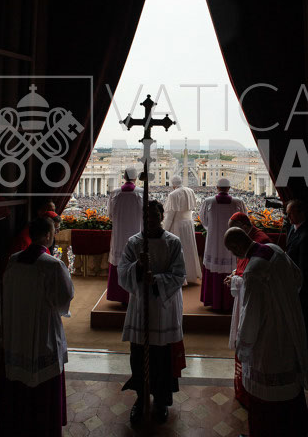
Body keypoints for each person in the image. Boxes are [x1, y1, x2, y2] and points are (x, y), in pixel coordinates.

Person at [224, 227, 308, 437]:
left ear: (237, 246)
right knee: (289, 387)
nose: (234, 255)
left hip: (269, 338)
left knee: (265, 395)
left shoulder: (253, 271)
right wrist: (284, 300)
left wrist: (242, 346)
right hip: (289, 325)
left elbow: (251, 316)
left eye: (232, 250)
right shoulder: (275, 249)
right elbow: (298, 277)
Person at [0, 216, 74, 437]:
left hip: (17, 330)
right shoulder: (53, 265)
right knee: (43, 383)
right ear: (48, 235)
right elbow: (64, 300)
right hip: (43, 332)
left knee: (20, 381)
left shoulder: (14, 261)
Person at [118, 200, 186, 424]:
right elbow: (122, 272)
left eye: (155, 216)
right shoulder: (134, 242)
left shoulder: (172, 242)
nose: (151, 220)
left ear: (162, 216)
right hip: (141, 306)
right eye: (147, 216)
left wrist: (155, 280)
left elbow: (179, 275)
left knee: (162, 357)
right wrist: (137, 267)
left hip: (164, 308)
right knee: (139, 354)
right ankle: (141, 397)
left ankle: (161, 399)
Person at [224, 212, 270, 406]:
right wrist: (235, 274)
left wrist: (235, 279)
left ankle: (250, 392)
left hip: (254, 307)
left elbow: (254, 279)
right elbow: (244, 266)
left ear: (243, 226)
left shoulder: (262, 242)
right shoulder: (251, 242)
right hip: (246, 298)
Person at [199, 177, 246, 311]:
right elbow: (244, 220)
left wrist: (213, 229)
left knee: (214, 267)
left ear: (217, 188)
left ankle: (213, 300)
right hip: (233, 241)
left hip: (213, 242)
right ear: (229, 188)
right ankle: (230, 302)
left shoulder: (208, 202)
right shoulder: (238, 202)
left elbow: (204, 221)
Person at [285, 199, 308, 374]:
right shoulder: (293, 229)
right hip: (294, 288)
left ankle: (307, 365)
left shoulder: (307, 236)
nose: (288, 217)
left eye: (290, 213)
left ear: (301, 213)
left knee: (306, 327)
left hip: (303, 291)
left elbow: (304, 269)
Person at [107, 167, 143, 304]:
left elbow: (110, 215)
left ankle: (119, 296)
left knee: (119, 260)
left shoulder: (115, 193)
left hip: (119, 235)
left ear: (124, 177)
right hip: (137, 233)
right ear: (135, 178)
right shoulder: (141, 193)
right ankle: (134, 296)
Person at [163, 175, 201, 283]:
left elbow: (170, 215)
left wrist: (165, 229)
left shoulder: (173, 194)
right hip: (188, 224)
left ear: (173, 184)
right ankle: (191, 275)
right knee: (189, 248)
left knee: (179, 250)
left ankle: (181, 277)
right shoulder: (190, 191)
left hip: (178, 225)